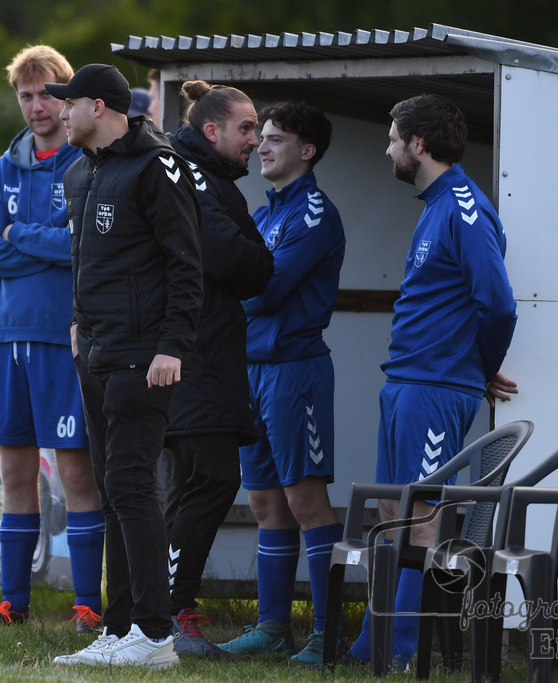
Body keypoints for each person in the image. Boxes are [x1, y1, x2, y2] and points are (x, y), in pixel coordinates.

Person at [340, 93, 518, 669]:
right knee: (392, 513)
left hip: (438, 386)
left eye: (393, 137)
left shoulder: (464, 205)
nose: (387, 146)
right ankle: (375, 644)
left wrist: (479, 368)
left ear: (418, 143)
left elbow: (498, 305)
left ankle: (400, 650)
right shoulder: (434, 204)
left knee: (420, 520)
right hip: (408, 383)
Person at [46, 63, 203, 670]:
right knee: (113, 489)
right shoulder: (79, 172)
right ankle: (120, 629)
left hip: (146, 354)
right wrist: (80, 324)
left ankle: (156, 635)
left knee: (134, 485)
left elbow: (186, 264)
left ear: (101, 108)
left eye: (70, 102)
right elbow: (91, 263)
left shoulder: (156, 164)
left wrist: (173, 346)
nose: (61, 112)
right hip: (99, 352)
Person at [0, 45, 105, 634]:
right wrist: (40, 242)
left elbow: (79, 249)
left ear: (66, 94)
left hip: (61, 338)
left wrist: (18, 234)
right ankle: (12, 601)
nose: (36, 105)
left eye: (47, 93)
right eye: (25, 96)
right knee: (15, 474)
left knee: (76, 474)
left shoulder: (83, 163)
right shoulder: (4, 166)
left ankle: (87, 604)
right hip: (7, 339)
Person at [216, 101, 345, 666]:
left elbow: (266, 290)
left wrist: (224, 296)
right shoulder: (264, 212)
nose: (260, 146)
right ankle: (273, 628)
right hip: (252, 370)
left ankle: (327, 633)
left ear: (306, 151)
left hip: (296, 371)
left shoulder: (314, 212)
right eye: (258, 137)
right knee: (266, 501)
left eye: (274, 138)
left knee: (306, 499)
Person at [160, 80, 274, 659]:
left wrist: (251, 254)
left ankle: (161, 613)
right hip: (192, 355)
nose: (256, 139)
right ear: (213, 132)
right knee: (209, 478)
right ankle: (172, 614)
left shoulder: (216, 181)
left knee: (196, 482)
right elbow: (239, 259)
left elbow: (255, 265)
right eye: (248, 128)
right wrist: (250, 253)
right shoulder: (190, 173)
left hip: (206, 355)